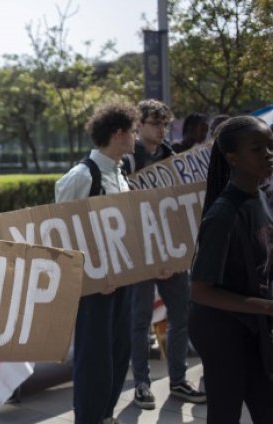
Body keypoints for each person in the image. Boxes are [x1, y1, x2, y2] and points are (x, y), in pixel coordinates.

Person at [55, 102, 139, 424]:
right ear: (118, 134)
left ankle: (106, 414)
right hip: (93, 288)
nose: (133, 137)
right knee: (94, 358)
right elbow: (60, 232)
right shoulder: (81, 176)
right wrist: (92, 275)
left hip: (122, 280)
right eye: (132, 131)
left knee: (120, 351)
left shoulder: (120, 172)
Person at [189, 116, 273, 423]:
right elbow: (199, 291)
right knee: (225, 412)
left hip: (253, 325)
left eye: (271, 147)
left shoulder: (261, 197)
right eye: (258, 149)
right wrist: (266, 307)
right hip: (221, 331)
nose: (269, 154)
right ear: (232, 158)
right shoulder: (223, 214)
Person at [122, 100, 205, 410]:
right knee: (140, 320)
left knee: (181, 316)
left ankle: (178, 380)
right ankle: (142, 384)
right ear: (139, 125)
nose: (161, 129)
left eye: (164, 124)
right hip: (141, 252)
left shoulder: (173, 158)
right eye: (155, 123)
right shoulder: (127, 161)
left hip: (171, 251)